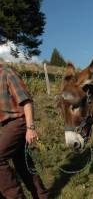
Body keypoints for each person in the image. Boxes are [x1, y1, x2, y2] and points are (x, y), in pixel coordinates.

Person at [0, 64, 48, 198]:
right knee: (22, 163)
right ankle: (41, 196)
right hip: (6, 126)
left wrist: (30, 128)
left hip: (19, 122)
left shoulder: (7, 73)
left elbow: (26, 101)